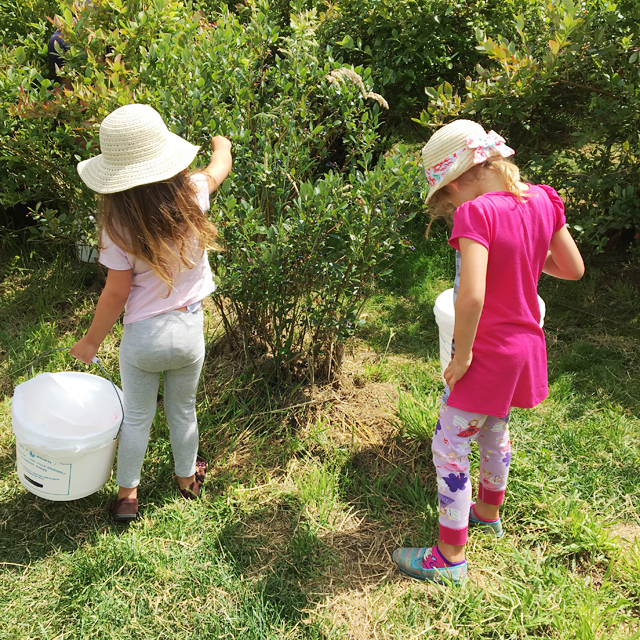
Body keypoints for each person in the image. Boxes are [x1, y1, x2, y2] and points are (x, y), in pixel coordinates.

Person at [392, 120, 584, 584]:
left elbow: (471, 296)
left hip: (487, 352)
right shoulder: (543, 199)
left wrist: (460, 356)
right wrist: (523, 262)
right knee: (495, 432)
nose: (455, 207)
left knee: (451, 446)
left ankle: (449, 556)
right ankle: (487, 512)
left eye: (450, 198)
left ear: (456, 183)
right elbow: (573, 268)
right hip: (525, 348)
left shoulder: (477, 214)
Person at [70, 103, 232, 521]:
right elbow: (219, 168)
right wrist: (221, 143)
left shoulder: (117, 224)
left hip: (142, 339)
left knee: (137, 417)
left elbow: (116, 291)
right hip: (189, 332)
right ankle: (187, 481)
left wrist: (91, 342)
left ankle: (127, 496)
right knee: (184, 408)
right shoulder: (193, 192)